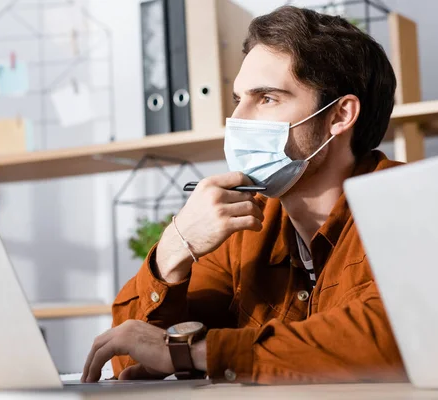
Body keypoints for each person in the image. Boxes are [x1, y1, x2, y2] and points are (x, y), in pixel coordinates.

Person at [82, 5, 407, 384]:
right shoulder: (244, 223)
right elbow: (129, 358)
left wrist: (194, 353)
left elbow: (390, 340)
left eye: (266, 98)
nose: (239, 120)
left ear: (339, 116)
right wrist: (174, 249)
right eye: (239, 99)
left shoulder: (409, 203)